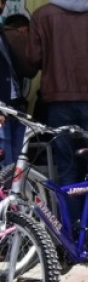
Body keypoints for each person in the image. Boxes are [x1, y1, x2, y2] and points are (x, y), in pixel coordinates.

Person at [27, 0, 88, 200]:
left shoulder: (42, 15)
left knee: (66, 164)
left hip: (58, 99)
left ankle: (71, 218)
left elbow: (34, 58)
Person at [0, 7, 37, 166]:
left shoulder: (3, 34)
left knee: (14, 166)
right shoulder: (14, 35)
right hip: (5, 106)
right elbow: (30, 69)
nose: (1, 6)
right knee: (9, 165)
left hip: (12, 105)